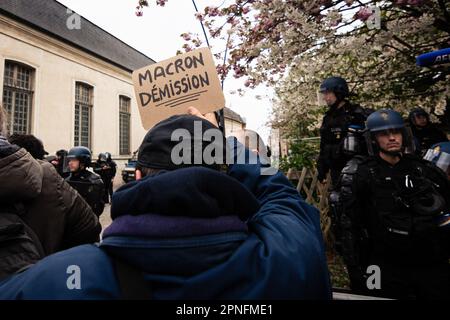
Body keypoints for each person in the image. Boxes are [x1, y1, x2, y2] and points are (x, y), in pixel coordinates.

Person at [0, 107, 331, 299]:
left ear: (139, 177)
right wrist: (223, 145)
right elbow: (281, 193)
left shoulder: (57, 281)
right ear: (226, 175)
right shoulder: (289, 259)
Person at [338, 109, 450, 299]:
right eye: (383, 134)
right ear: (373, 139)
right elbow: (350, 225)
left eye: (395, 132)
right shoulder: (362, 174)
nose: (392, 138)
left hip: (427, 261)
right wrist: (357, 269)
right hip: (384, 263)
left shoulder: (422, 169)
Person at [0, 104, 101, 280]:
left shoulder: (91, 179)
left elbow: (93, 217)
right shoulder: (53, 179)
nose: (70, 164)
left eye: (74, 161)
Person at [316, 76, 368, 189]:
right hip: (337, 171)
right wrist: (322, 168)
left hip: (357, 171)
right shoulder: (328, 117)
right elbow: (324, 144)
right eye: (324, 94)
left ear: (339, 93)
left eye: (327, 93)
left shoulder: (356, 114)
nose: (325, 98)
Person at [66, 147, 105, 217]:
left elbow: (96, 208)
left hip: (87, 222)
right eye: (69, 160)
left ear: (83, 162)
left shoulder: (94, 181)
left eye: (74, 160)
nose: (70, 163)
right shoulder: (68, 180)